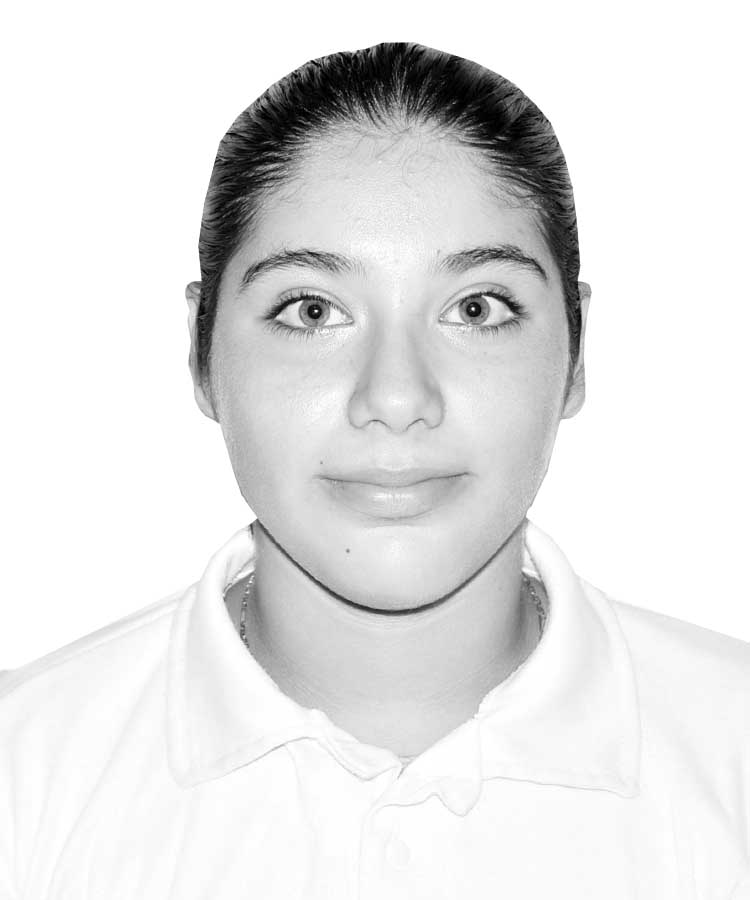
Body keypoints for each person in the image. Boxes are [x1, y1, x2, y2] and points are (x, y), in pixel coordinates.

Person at [1, 41, 748, 899]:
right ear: (201, 354)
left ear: (576, 355)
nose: (396, 398)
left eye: (477, 308)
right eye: (312, 310)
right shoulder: (23, 776)